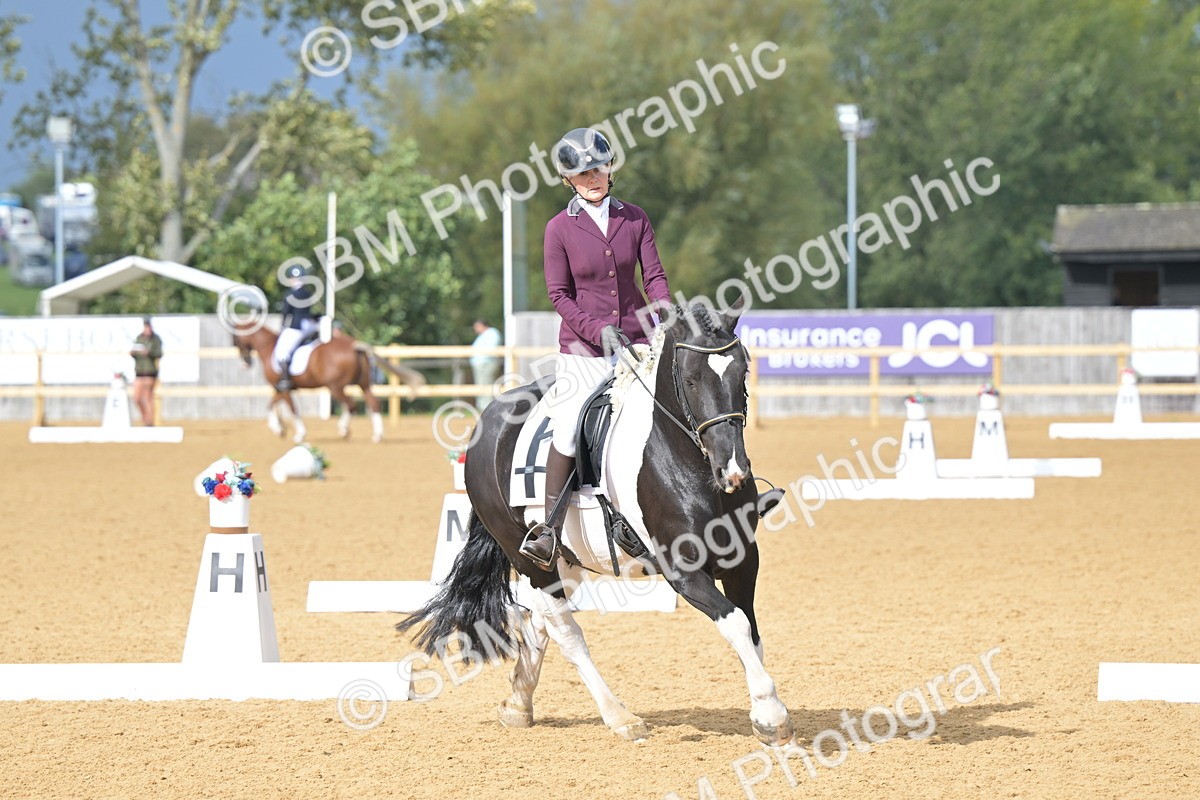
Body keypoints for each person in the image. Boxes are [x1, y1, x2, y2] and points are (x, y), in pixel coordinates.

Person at [519, 126, 672, 569]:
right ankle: (548, 528)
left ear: (610, 168)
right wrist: (595, 330)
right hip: (584, 349)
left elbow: (654, 277)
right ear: (569, 180)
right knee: (568, 425)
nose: (592, 177)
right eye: (582, 173)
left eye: (598, 168)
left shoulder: (635, 218)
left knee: (677, 404)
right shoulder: (558, 229)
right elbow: (559, 294)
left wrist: (666, 314)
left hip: (639, 340)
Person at [272, 262, 320, 392]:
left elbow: (286, 313)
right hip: (310, 325)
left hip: (297, 327)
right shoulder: (308, 293)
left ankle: (285, 379)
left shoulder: (290, 294)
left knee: (282, 352)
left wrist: (282, 327)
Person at [130, 316, 163, 426]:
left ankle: (149, 421)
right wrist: (133, 354)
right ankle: (145, 418)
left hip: (150, 372)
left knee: (148, 397)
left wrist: (149, 353)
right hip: (139, 371)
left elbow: (159, 354)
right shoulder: (139, 338)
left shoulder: (156, 339)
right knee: (137, 398)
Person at [470, 319, 503, 410]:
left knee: (486, 385)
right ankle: (483, 407)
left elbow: (491, 349)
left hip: (486, 364)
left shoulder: (492, 333)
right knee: (482, 385)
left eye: (477, 327)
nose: (476, 330)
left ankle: (487, 408)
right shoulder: (484, 335)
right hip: (481, 364)